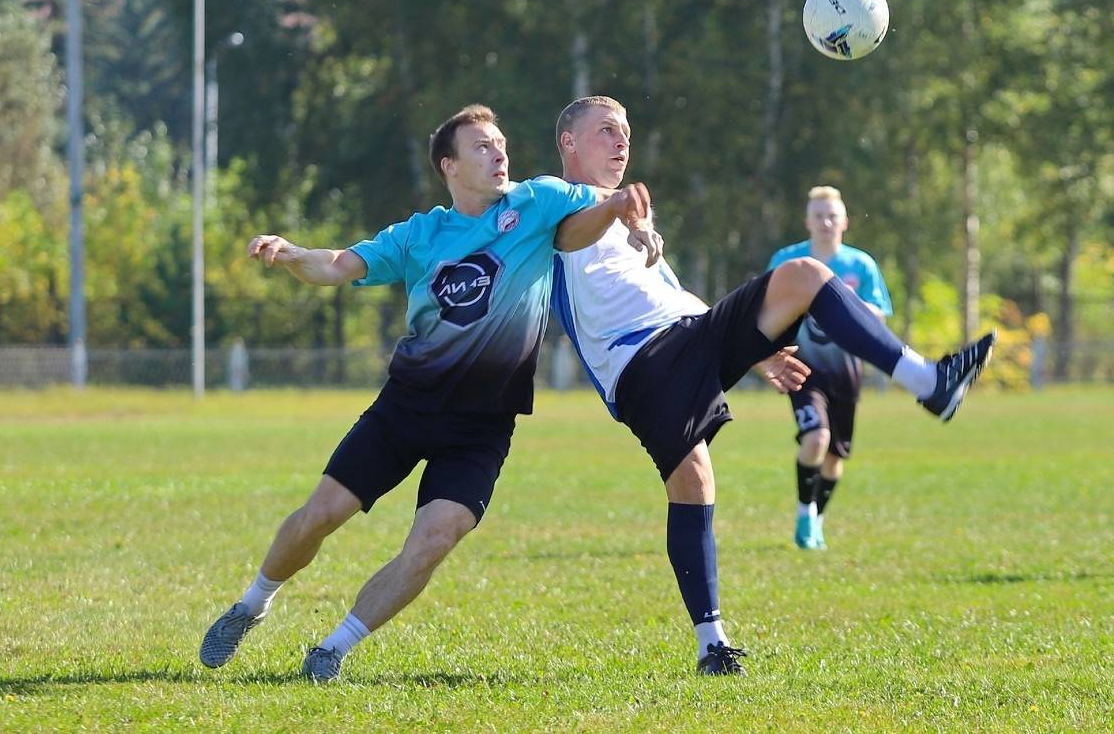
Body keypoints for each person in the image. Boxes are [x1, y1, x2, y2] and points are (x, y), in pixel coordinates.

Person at [199, 104, 658, 682]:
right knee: (320, 516)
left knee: (435, 538)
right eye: (482, 147)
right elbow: (336, 265)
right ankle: (252, 604)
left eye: (501, 144)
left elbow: (611, 202)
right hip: (406, 408)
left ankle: (332, 649)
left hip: (482, 426)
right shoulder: (419, 234)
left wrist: (630, 217)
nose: (499, 155)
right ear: (450, 166)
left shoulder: (538, 201)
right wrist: (292, 255)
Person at [550, 95, 995, 676]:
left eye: (626, 132)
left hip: (688, 335)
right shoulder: (552, 199)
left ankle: (929, 381)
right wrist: (614, 207)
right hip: (639, 365)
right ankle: (712, 643)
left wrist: (756, 354)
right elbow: (565, 234)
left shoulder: (632, 216)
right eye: (607, 130)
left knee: (805, 275)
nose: (621, 141)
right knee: (693, 481)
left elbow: (671, 296)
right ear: (569, 142)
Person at [768, 186, 894, 551]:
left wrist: (845, 304)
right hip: (803, 369)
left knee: (835, 456)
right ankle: (804, 514)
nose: (825, 222)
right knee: (816, 438)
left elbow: (880, 314)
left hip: (846, 371)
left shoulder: (861, 265)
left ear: (844, 222)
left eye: (832, 216)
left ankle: (817, 521)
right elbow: (764, 306)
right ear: (807, 221)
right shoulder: (787, 260)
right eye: (819, 216)